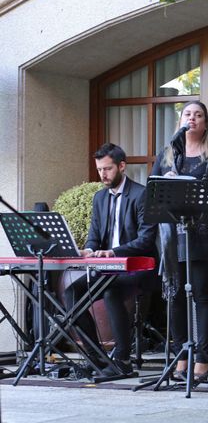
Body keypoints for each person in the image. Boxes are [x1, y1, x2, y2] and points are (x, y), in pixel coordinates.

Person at [151, 101, 208, 382]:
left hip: (207, 238)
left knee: (202, 294)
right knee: (176, 296)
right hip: (174, 239)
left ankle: (202, 358)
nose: (192, 118)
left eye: (198, 115)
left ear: (205, 123)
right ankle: (181, 356)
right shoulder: (167, 156)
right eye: (187, 114)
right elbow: (154, 193)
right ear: (181, 120)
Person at [63, 143, 158, 376]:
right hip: (109, 269)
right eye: (99, 170)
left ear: (122, 166)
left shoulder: (141, 194)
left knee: (110, 292)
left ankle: (123, 360)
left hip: (139, 267)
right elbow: (94, 238)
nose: (103, 175)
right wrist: (88, 250)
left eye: (107, 169)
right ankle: (99, 359)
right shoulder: (99, 198)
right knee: (71, 294)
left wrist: (114, 252)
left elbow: (146, 240)